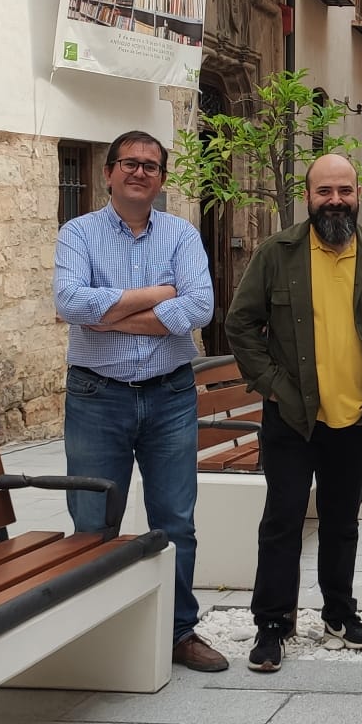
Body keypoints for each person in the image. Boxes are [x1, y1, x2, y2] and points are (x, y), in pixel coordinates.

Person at [223, 154, 362, 672]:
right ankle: (272, 624)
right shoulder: (278, 254)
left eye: (344, 191)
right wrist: (273, 387)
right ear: (307, 196)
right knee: (283, 519)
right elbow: (241, 325)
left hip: (355, 417)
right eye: (324, 191)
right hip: (292, 415)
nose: (336, 200)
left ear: (359, 195)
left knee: (341, 522)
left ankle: (339, 614)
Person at [53, 130, 222, 672]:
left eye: (150, 165)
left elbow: (201, 307)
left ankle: (178, 631)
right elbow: (68, 302)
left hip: (170, 396)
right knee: (92, 521)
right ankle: (95, 631)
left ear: (162, 179)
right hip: (96, 397)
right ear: (108, 174)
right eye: (129, 163)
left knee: (175, 520)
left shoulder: (180, 234)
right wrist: (157, 295)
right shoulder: (76, 233)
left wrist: (113, 314)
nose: (139, 172)